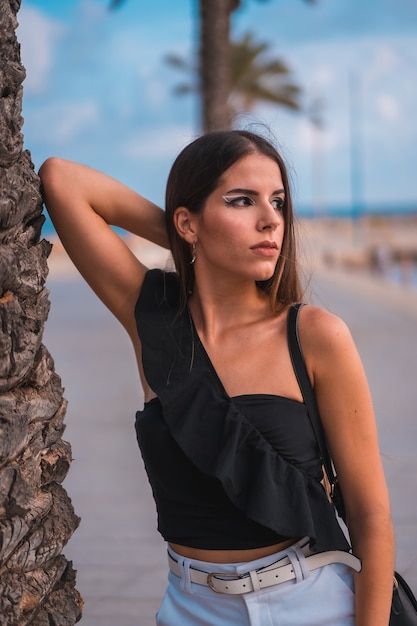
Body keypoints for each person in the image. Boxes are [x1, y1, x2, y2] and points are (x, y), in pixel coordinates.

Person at [39, 129, 394, 626]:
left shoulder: (314, 335)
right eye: (242, 201)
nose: (271, 219)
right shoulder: (156, 322)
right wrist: (195, 237)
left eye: (278, 202)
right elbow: (61, 180)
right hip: (191, 607)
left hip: (310, 602)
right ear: (186, 220)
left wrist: (216, 232)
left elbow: (370, 517)